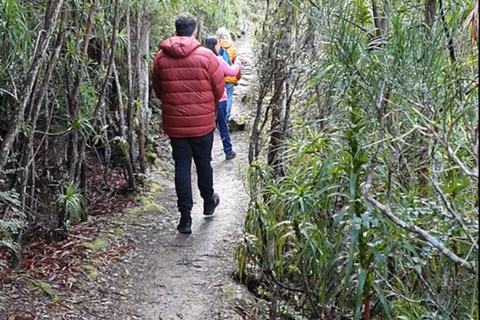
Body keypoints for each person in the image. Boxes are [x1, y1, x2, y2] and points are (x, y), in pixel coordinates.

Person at [151, 14, 225, 234]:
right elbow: (219, 89)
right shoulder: (206, 56)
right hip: (202, 123)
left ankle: (185, 219)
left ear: (176, 31)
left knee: (181, 166)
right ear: (194, 32)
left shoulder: (161, 58)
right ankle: (208, 201)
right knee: (204, 162)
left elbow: (158, 90)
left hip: (175, 124)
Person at [203, 36, 242, 160]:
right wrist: (238, 62)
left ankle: (207, 154)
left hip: (206, 99)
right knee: (223, 126)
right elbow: (232, 72)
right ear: (215, 46)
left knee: (208, 128)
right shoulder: (218, 60)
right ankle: (228, 151)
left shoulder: (202, 60)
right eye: (218, 45)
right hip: (220, 98)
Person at [216, 27, 241, 121]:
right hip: (230, 77)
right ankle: (226, 117)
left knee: (218, 97)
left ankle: (217, 117)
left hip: (218, 77)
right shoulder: (232, 47)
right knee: (229, 97)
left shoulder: (216, 45)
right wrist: (237, 78)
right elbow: (236, 64)